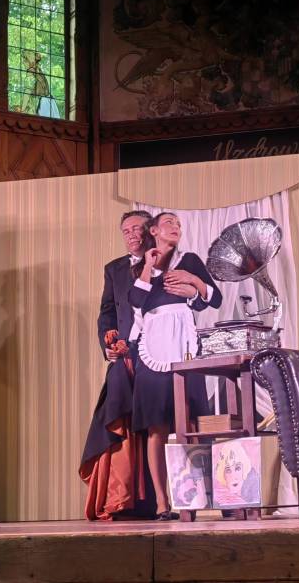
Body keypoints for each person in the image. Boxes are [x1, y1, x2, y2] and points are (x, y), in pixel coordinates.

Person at [80, 210, 199, 520]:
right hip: (128, 357)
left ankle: (184, 498)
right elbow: (107, 312)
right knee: (121, 415)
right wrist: (108, 344)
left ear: (150, 231)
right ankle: (125, 499)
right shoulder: (114, 269)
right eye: (126, 231)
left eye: (137, 229)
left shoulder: (172, 262)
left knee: (171, 421)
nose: (131, 234)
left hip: (164, 353)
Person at [129, 212, 223, 519]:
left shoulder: (190, 260)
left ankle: (196, 497)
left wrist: (193, 282)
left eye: (179, 224)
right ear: (154, 231)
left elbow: (215, 299)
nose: (176, 227)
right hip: (153, 347)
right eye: (169, 222)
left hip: (184, 343)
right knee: (156, 427)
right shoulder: (139, 266)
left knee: (191, 422)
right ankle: (161, 501)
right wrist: (148, 266)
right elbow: (135, 300)